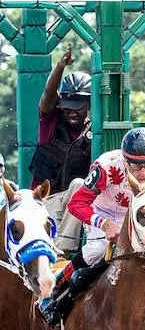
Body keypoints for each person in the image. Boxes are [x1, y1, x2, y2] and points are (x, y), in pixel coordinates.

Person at [41, 127, 145, 324]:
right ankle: (59, 285)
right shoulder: (106, 167)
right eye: (135, 167)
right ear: (125, 160)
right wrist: (105, 225)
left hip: (132, 216)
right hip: (101, 213)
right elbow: (76, 204)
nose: (143, 173)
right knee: (96, 249)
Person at [27, 43, 93, 255]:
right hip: (46, 201)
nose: (71, 112)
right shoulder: (50, 122)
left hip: (75, 205)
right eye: (67, 106)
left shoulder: (94, 131)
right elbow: (47, 97)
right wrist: (61, 66)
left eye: (78, 106)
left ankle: (63, 250)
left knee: (79, 184)